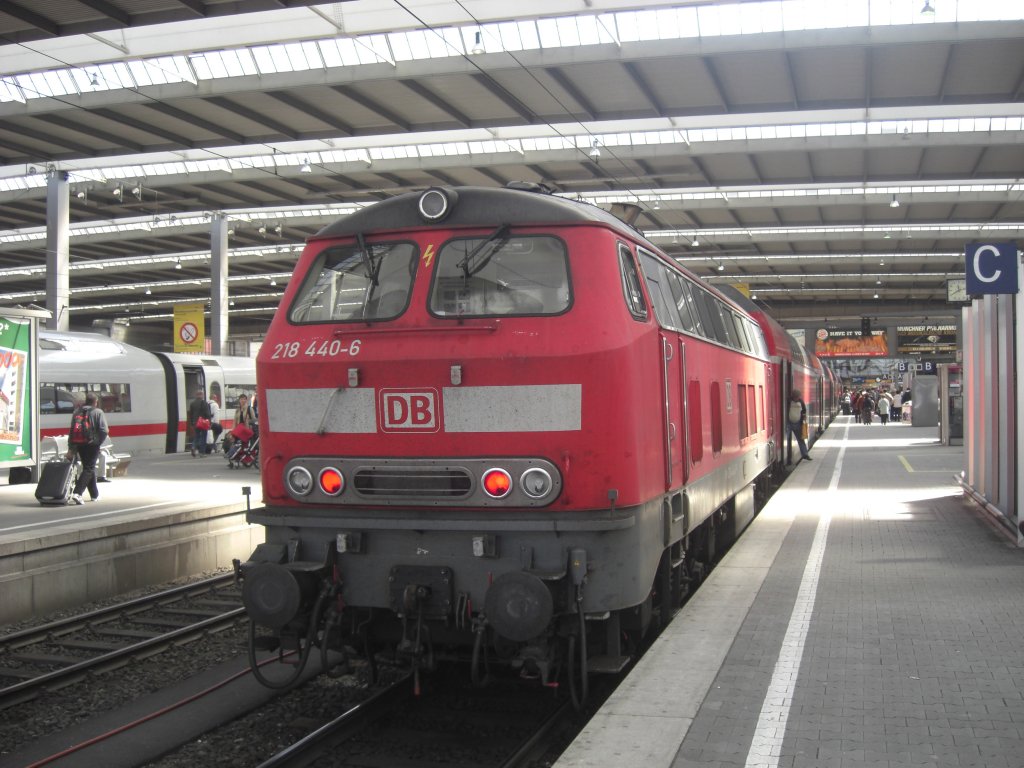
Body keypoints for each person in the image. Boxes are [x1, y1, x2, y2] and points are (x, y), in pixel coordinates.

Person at [65, 391, 109, 504]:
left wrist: (71, 448)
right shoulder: (98, 412)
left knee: (88, 467)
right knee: (89, 469)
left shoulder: (77, 412)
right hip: (92, 444)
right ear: (96, 402)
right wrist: (97, 442)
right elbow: (104, 430)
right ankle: (77, 493)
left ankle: (95, 494)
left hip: (79, 444)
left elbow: (71, 432)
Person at [223, 393, 257, 457]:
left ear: (246, 400)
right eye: (241, 399)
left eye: (244, 399)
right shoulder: (237, 410)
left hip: (246, 429)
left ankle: (231, 454)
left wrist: (248, 420)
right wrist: (233, 430)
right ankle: (233, 454)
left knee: (239, 443)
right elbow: (235, 421)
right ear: (239, 400)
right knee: (234, 440)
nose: (243, 401)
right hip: (239, 429)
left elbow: (254, 420)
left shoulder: (249, 409)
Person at [786, 388, 812, 464]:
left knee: (801, 440)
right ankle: (787, 457)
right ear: (793, 396)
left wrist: (803, 418)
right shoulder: (788, 401)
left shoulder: (801, 401)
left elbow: (804, 410)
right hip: (789, 423)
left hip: (798, 423)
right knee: (786, 439)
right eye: (796, 397)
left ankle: (805, 454)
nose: (797, 398)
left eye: (798, 397)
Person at [188, 388, 212, 457]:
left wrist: (192, 423)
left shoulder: (192, 403)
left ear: (196, 395)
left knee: (197, 436)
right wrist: (209, 422)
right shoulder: (204, 403)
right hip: (203, 423)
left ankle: (193, 447)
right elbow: (208, 414)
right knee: (203, 437)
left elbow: (191, 414)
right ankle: (202, 453)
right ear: (202, 395)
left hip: (196, 423)